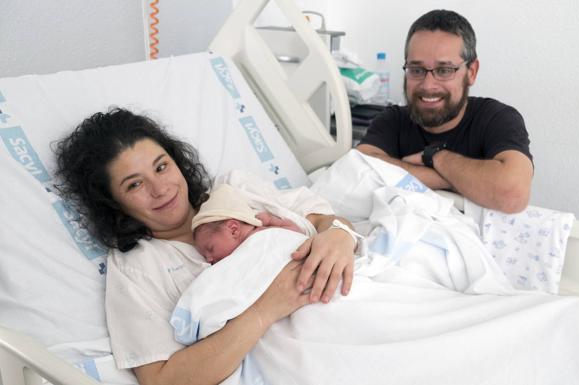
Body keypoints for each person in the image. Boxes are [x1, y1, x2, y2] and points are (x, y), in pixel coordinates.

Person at [53, 107, 357, 385]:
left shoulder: (233, 191)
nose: (160, 189)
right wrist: (267, 308)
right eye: (135, 184)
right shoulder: (137, 268)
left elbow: (326, 219)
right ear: (113, 204)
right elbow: (162, 380)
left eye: (161, 167)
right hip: (294, 358)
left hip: (344, 303)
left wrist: (339, 236)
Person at [356, 10, 533, 214]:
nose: (428, 85)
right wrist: (449, 179)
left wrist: (435, 157)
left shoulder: (497, 119)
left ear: (471, 72)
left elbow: (513, 195)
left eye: (444, 70)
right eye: (416, 70)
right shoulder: (393, 120)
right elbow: (357, 168)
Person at [191, 182, 303, 264]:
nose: (208, 259)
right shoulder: (229, 262)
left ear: (233, 229)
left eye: (211, 249)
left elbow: (297, 235)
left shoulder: (263, 232)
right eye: (205, 256)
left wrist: (273, 221)